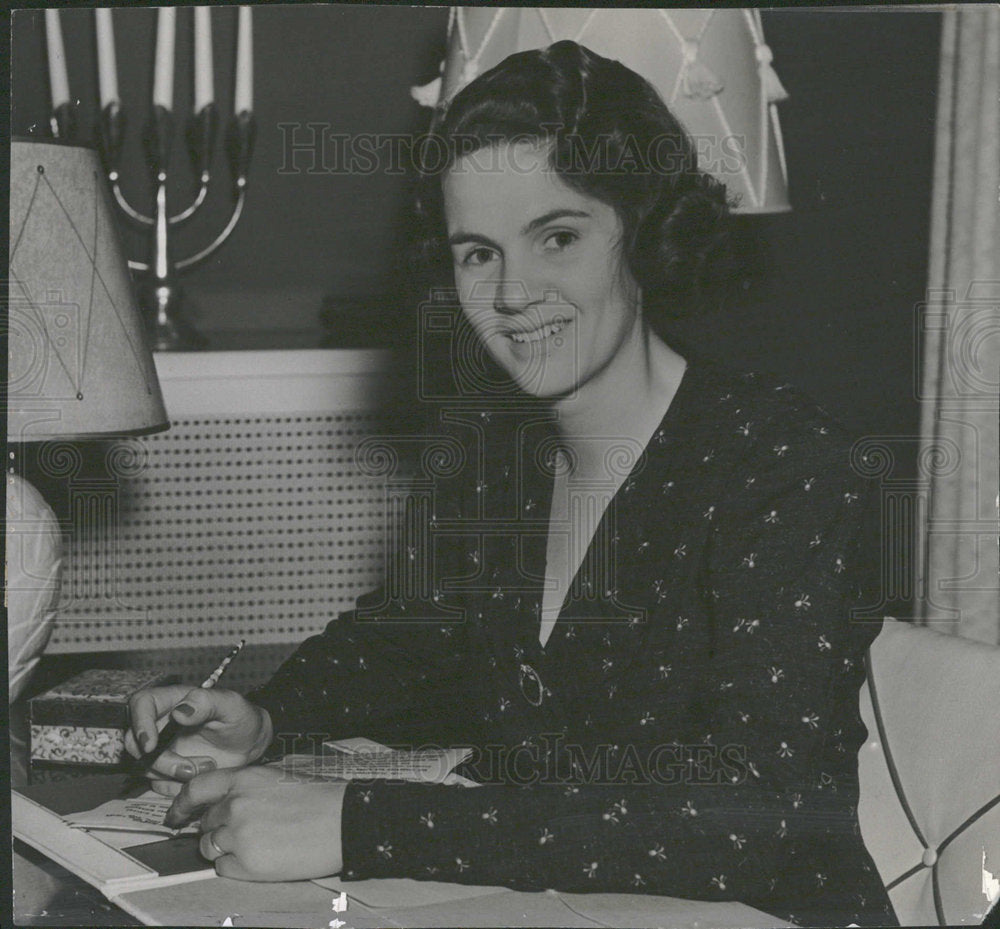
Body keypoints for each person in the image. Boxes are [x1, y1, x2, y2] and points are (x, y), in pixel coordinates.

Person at [126, 41, 897, 927]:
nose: (512, 292)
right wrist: (265, 719)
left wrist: (361, 821)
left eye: (557, 237)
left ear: (643, 232)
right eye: (477, 253)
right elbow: (403, 640)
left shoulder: (784, 461)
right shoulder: (501, 458)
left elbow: (755, 813)